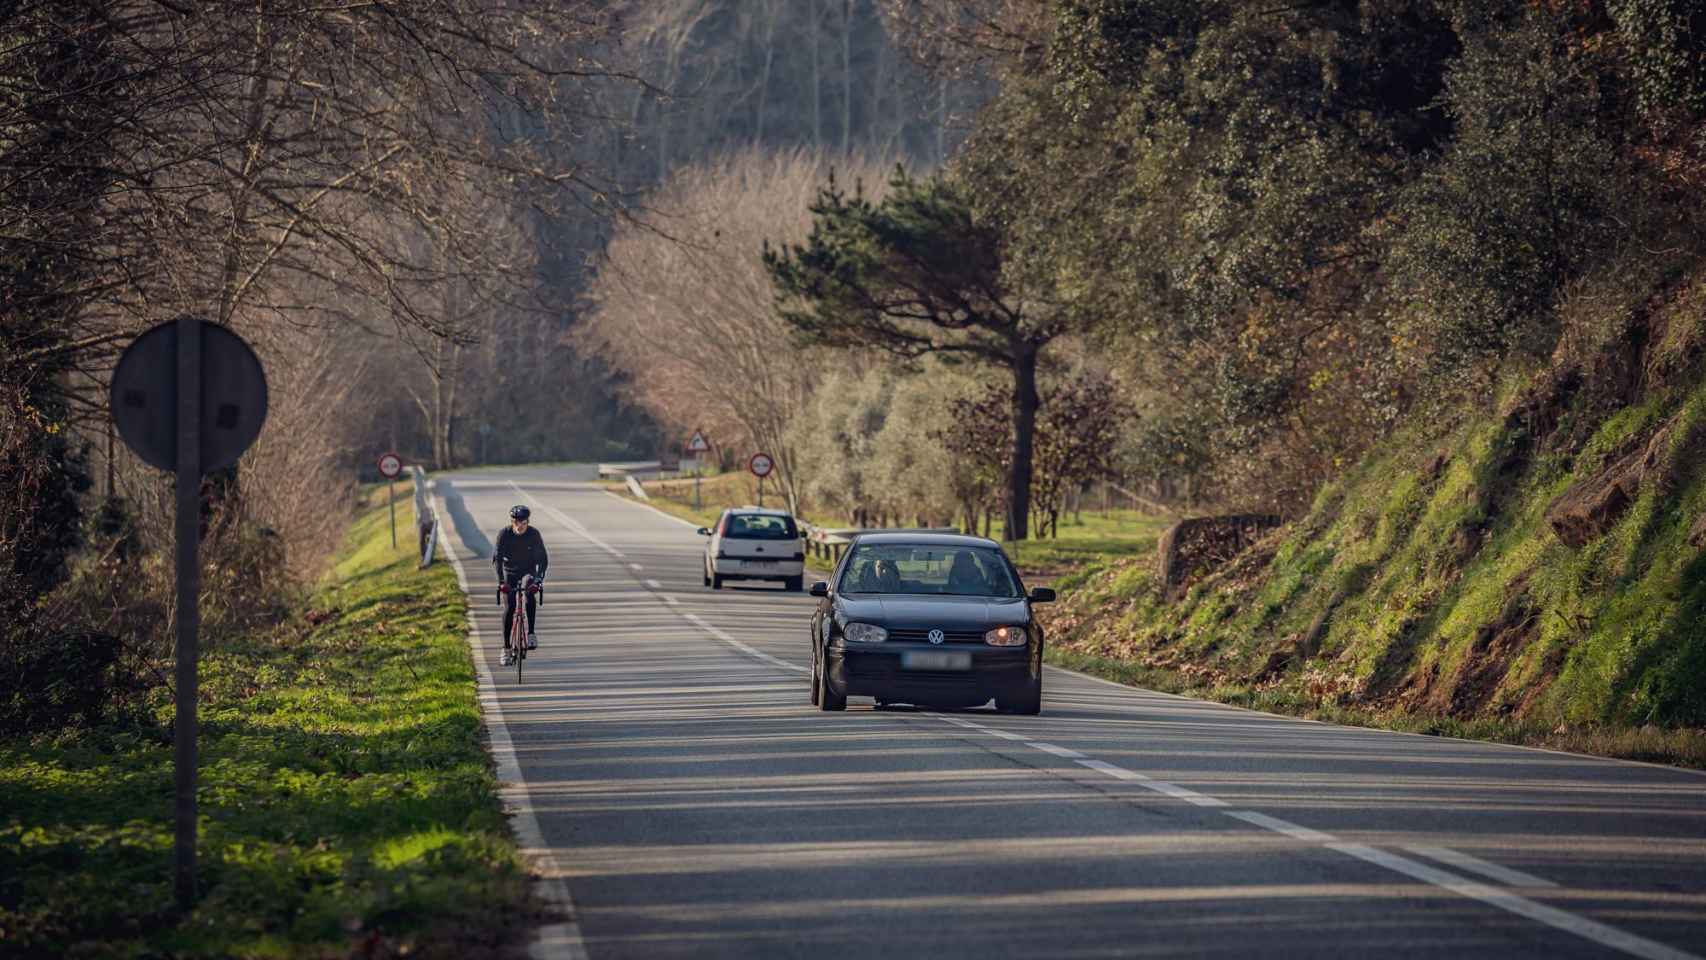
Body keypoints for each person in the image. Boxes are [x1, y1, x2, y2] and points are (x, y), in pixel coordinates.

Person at [493, 504, 548, 666]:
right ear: (512, 522)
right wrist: (501, 582)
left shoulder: (534, 534)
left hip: (527, 572)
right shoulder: (504, 534)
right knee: (510, 607)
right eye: (516, 522)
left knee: (529, 590)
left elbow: (543, 560)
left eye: (523, 523)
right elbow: (497, 560)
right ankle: (506, 648)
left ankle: (531, 633)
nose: (519, 526)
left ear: (528, 522)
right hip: (509, 573)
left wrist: (538, 580)